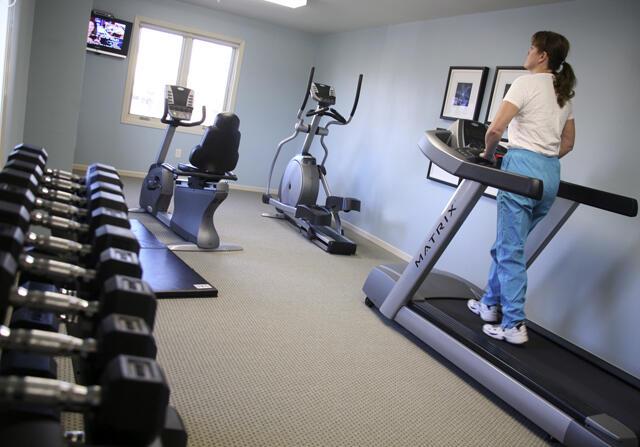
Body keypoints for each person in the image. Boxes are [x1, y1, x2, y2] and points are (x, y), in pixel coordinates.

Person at [467, 31, 577, 344]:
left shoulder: (524, 83)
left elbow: (496, 129)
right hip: (550, 176)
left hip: (520, 171)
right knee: (509, 246)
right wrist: (542, 159)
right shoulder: (563, 93)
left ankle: (514, 324)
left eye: (531, 48)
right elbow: (568, 143)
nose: (527, 52)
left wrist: (487, 156)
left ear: (542, 56)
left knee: (509, 250)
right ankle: (490, 303)